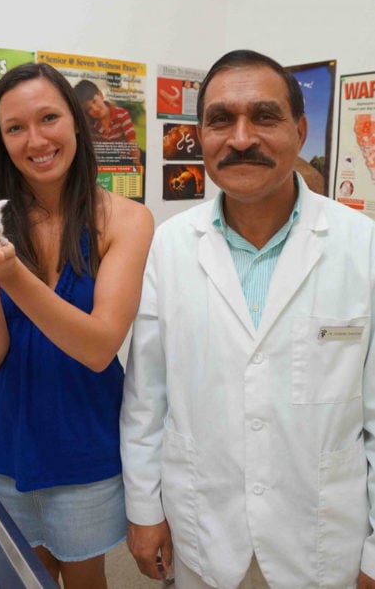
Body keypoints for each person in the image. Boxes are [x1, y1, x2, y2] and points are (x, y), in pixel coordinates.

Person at [120, 50, 375, 589]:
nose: (240, 138)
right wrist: (144, 511)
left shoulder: (362, 246)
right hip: (204, 532)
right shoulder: (170, 244)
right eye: (220, 120)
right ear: (200, 136)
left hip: (324, 541)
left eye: (264, 116)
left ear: (300, 129)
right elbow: (147, 397)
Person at [0, 62, 154, 589]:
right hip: (0, 434)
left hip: (82, 437)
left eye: (49, 118)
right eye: (15, 128)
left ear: (75, 121)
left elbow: (98, 348)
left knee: (84, 576)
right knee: (20, 576)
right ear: (2, 141)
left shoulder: (125, 219)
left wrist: (9, 274)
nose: (36, 140)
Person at [74, 79, 141, 163]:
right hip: (107, 161)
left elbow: (132, 143)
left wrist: (136, 165)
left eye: (94, 101)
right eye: (88, 109)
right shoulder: (92, 124)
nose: (94, 109)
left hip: (126, 158)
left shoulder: (121, 114)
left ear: (101, 94)